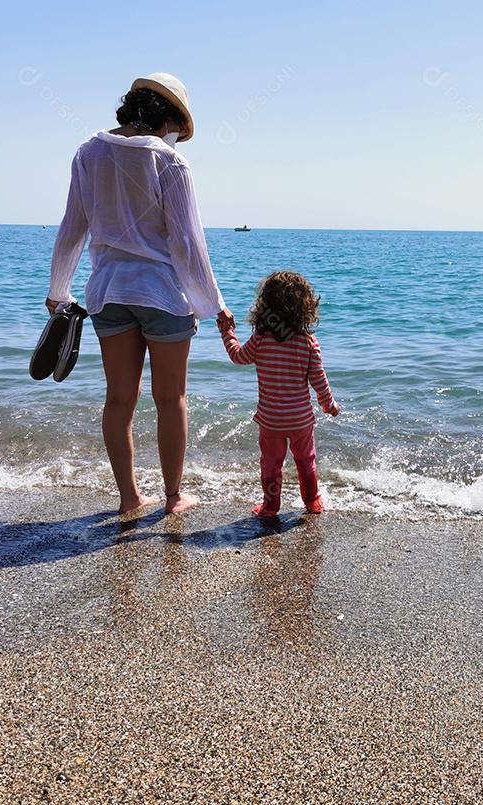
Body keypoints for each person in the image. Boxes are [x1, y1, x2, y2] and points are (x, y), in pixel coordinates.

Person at [46, 73, 231, 515]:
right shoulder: (169, 163)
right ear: (167, 117)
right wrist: (213, 304)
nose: (175, 140)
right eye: (176, 130)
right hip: (164, 294)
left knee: (118, 399)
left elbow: (73, 227)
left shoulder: (88, 154)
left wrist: (58, 288)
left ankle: (129, 498)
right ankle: (172, 498)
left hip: (108, 292)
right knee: (171, 400)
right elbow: (187, 244)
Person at [217, 271, 341, 517]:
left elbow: (238, 356)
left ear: (265, 305)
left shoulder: (262, 339)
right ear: (304, 307)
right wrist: (329, 405)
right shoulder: (308, 342)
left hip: (271, 419)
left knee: (271, 464)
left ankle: (270, 506)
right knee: (306, 460)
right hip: (300, 419)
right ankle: (313, 502)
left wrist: (227, 332)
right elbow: (319, 379)